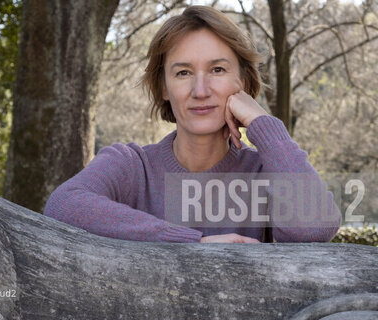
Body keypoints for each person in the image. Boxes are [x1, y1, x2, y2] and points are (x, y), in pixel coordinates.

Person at [44, 5, 342, 243]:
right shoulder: (132, 166)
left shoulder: (264, 173)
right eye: (183, 73)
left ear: (243, 83)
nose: (200, 91)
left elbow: (314, 229)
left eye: (217, 69)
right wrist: (192, 243)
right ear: (163, 87)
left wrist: (263, 123)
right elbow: (63, 206)